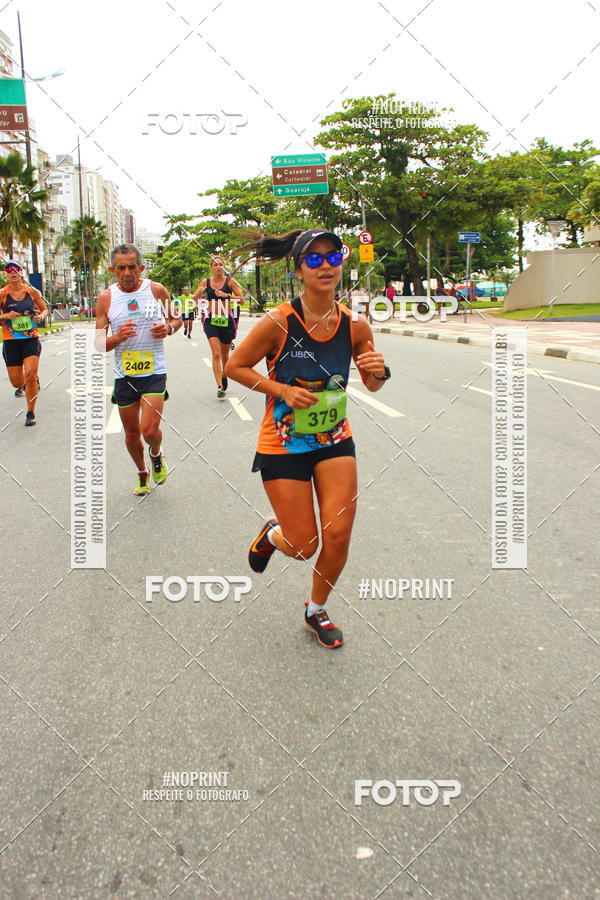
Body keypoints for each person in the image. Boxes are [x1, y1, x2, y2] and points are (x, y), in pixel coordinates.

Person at [225, 228, 391, 649]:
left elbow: (373, 384)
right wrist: (282, 390)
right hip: (283, 444)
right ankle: (273, 535)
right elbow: (234, 367)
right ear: (299, 270)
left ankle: (316, 609)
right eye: (313, 259)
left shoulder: (356, 325)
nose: (325, 265)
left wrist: (378, 370)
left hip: (335, 439)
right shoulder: (278, 322)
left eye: (333, 256)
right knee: (303, 545)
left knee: (338, 534)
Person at [95, 243, 181, 495]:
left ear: (141, 268)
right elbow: (98, 343)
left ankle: (156, 453)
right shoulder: (106, 298)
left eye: (132, 267)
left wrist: (169, 328)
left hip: (154, 372)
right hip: (125, 376)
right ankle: (142, 471)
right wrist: (118, 337)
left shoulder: (156, 290)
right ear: (113, 270)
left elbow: (176, 318)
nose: (127, 273)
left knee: (149, 430)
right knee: (132, 434)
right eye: (121, 268)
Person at [0, 260, 47, 425]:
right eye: (8, 269)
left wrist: (40, 316)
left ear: (21, 272)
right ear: (5, 274)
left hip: (31, 339)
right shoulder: (2, 294)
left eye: (16, 269)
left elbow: (44, 308)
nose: (12, 272)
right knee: (17, 382)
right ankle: (27, 383)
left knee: (30, 374)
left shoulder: (32, 292)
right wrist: (6, 316)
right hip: (11, 341)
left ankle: (30, 412)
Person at [193, 256, 244, 399]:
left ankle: (224, 375)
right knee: (215, 353)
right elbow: (193, 300)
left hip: (226, 320)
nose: (218, 267)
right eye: (215, 265)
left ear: (224, 266)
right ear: (211, 267)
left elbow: (241, 300)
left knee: (224, 355)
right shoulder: (205, 282)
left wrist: (226, 295)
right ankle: (220, 386)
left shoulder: (230, 281)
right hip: (211, 320)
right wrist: (197, 294)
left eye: (221, 264)